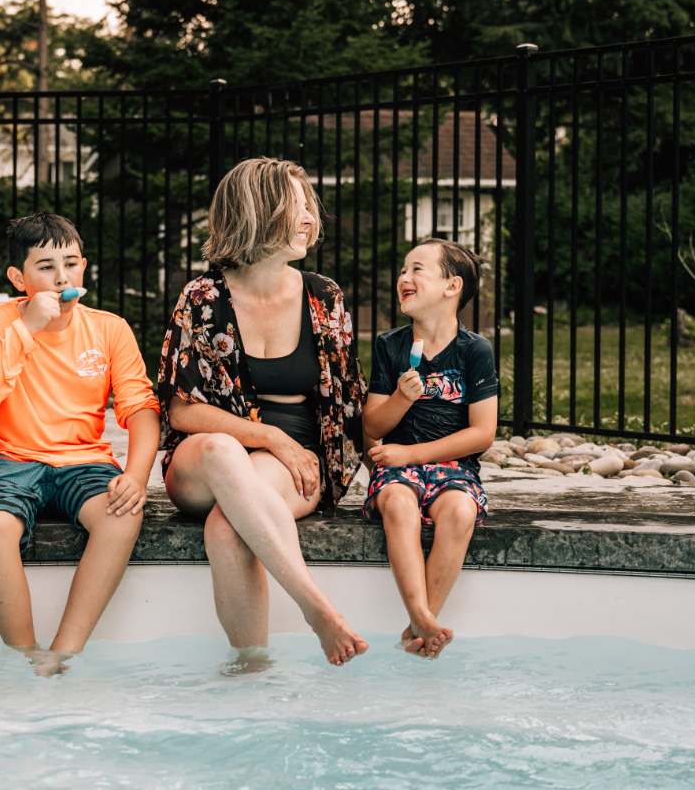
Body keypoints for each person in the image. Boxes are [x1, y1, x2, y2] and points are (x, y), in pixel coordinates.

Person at [158, 157, 369, 668]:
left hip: (299, 458)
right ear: (257, 212)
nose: (309, 220)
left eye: (309, 209)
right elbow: (182, 412)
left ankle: (251, 671)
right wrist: (270, 437)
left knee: (228, 529)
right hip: (207, 457)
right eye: (295, 208)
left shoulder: (323, 297)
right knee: (222, 447)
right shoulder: (203, 298)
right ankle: (316, 608)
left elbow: (350, 400)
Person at [0, 211, 161, 675]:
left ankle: (63, 653)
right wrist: (26, 328)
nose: (61, 277)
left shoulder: (110, 329)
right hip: (3, 457)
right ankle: (25, 655)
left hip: (82, 460)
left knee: (122, 514)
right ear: (18, 277)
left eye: (70, 263)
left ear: (84, 266)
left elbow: (142, 410)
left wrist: (136, 474)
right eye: (45, 266)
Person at [361, 238, 498, 660]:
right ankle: (422, 616)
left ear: (451, 286)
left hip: (449, 466)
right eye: (403, 269)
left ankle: (419, 626)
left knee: (460, 511)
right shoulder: (391, 345)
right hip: (397, 470)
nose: (404, 277)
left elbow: (482, 434)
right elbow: (371, 425)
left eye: (417, 269)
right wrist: (402, 398)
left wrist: (414, 454)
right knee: (399, 505)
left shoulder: (474, 350)